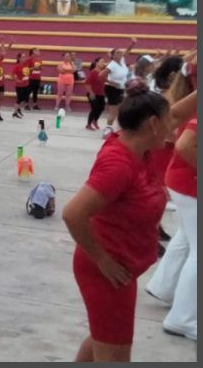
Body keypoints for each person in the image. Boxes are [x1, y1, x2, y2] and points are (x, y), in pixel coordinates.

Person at [62, 81, 170, 362]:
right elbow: (73, 214)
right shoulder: (119, 165)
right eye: (169, 121)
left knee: (105, 339)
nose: (174, 127)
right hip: (107, 271)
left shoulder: (140, 150)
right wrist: (103, 260)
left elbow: (181, 112)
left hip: (123, 268)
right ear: (153, 123)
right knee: (115, 353)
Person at [145, 106, 197, 341]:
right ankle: (183, 319)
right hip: (191, 183)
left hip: (183, 180)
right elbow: (185, 144)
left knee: (186, 238)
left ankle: (164, 287)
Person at [98, 38, 138, 138]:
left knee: (121, 109)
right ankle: (107, 130)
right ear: (113, 55)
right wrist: (111, 82)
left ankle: (118, 129)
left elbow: (128, 50)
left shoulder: (122, 61)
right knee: (113, 111)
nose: (121, 54)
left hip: (121, 88)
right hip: (113, 89)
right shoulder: (112, 65)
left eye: (121, 52)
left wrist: (132, 43)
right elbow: (101, 75)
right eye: (118, 53)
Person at [86, 57, 107, 131]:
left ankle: (95, 120)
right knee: (94, 108)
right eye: (101, 62)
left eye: (104, 62)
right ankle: (88, 124)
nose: (103, 63)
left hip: (101, 93)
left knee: (101, 108)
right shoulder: (93, 72)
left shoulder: (103, 72)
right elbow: (87, 83)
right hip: (93, 93)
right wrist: (91, 93)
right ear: (96, 63)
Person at [12, 52, 30, 119]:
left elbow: (26, 72)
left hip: (26, 85)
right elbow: (13, 75)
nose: (24, 58)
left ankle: (18, 109)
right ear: (18, 58)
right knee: (19, 99)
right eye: (22, 57)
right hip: (20, 86)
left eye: (24, 57)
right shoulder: (16, 66)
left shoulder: (25, 65)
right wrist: (18, 80)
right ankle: (14, 113)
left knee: (24, 99)